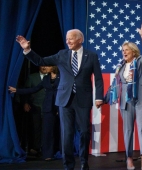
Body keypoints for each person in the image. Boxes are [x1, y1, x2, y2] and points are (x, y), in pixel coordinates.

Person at [16, 29, 104, 170]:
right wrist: (27, 50)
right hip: (64, 99)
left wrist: (99, 97)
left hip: (83, 99)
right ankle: (68, 165)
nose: (67, 41)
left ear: (80, 40)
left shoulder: (91, 56)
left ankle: (83, 162)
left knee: (84, 132)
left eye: (71, 38)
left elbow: (98, 79)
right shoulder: (62, 54)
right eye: (67, 38)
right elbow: (41, 60)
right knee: (67, 134)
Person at [114, 22, 142, 170]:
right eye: (123, 50)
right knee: (127, 130)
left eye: (127, 50)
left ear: (133, 51)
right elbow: (116, 85)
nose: (124, 52)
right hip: (125, 100)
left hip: (141, 98)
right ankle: (129, 158)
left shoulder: (139, 62)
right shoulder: (120, 66)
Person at [9, 66, 60, 161]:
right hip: (47, 107)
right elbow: (34, 89)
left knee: (59, 130)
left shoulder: (62, 77)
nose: (45, 67)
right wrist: (17, 90)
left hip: (60, 107)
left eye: (48, 66)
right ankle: (48, 154)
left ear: (54, 67)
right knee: (47, 131)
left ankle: (62, 151)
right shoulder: (46, 79)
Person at [23, 66, 47, 156]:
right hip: (35, 105)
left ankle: (45, 147)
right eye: (42, 66)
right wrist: (26, 103)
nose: (44, 68)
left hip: (47, 107)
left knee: (47, 128)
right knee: (36, 127)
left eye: (46, 66)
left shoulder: (52, 77)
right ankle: (36, 147)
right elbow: (27, 90)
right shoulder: (32, 77)